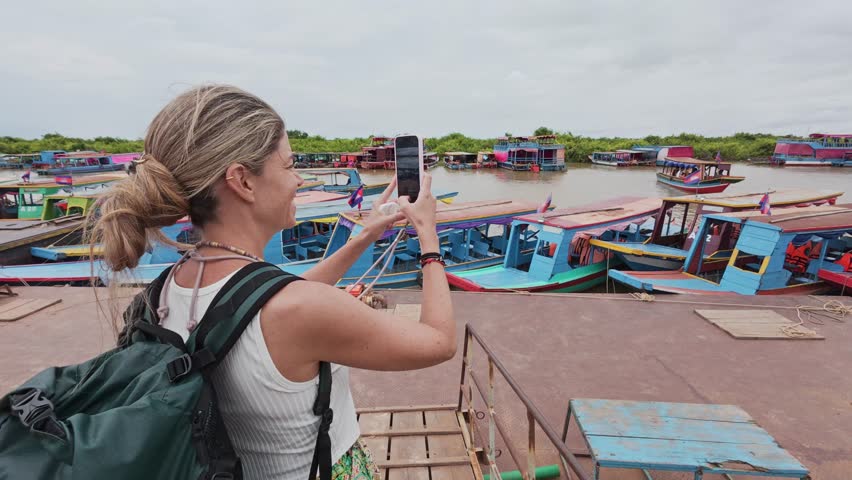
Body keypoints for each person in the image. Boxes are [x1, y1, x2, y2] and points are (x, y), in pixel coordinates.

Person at [88, 85, 456, 480]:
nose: (298, 180)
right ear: (243, 181)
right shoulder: (300, 310)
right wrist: (428, 238)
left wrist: (364, 237)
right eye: (289, 165)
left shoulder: (168, 287)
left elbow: (260, 299)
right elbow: (439, 342)